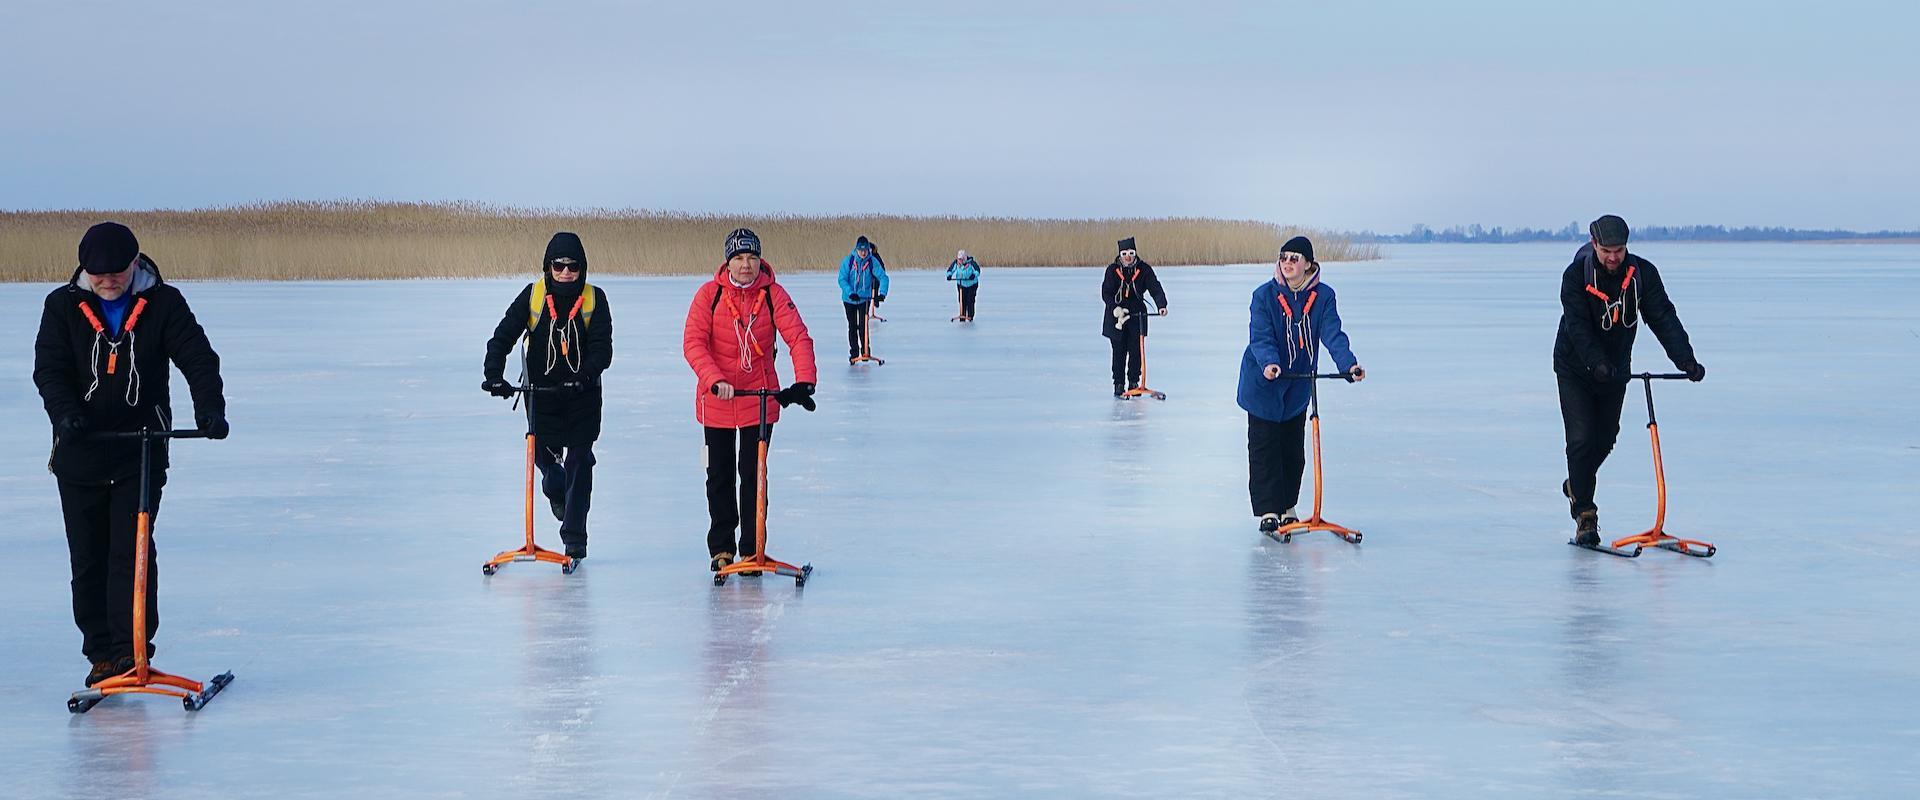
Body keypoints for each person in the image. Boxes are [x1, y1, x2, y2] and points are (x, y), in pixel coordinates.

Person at [33, 221, 229, 688]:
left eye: (117, 272)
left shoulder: (164, 302)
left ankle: (131, 651)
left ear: (135, 263)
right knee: (88, 557)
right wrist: (65, 415)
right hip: (80, 449)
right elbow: (50, 369)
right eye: (98, 275)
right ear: (85, 270)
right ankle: (102, 655)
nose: (108, 282)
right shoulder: (61, 306)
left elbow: (198, 357)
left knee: (132, 551)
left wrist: (210, 410)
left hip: (140, 450)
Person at [1554, 214, 1704, 547]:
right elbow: (1577, 328)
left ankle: (1577, 482)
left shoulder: (1642, 276)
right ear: (1594, 245)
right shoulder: (1575, 277)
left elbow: (1663, 317)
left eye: (1619, 250)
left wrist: (1686, 360)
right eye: (1606, 250)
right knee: (1581, 439)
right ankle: (1585, 515)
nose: (1612, 257)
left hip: (1616, 369)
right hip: (1575, 368)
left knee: (1605, 439)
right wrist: (1595, 363)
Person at [684, 228, 819, 572]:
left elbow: (798, 337)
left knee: (753, 474)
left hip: (759, 401)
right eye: (739, 258)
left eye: (752, 258)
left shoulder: (774, 294)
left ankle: (751, 549)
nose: (746, 265)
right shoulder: (708, 295)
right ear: (728, 262)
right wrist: (715, 380)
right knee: (718, 476)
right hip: (716, 402)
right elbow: (693, 343)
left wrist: (804, 381)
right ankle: (722, 548)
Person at [482, 232, 613, 561]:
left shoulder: (595, 299)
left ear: (582, 269)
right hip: (541, 396)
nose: (566, 273)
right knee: (545, 460)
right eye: (559, 266)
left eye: (573, 266)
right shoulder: (533, 297)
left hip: (583, 397)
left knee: (580, 462)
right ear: (548, 267)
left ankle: (574, 538)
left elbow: (602, 351)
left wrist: (581, 378)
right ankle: (556, 487)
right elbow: (503, 336)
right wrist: (494, 376)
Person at [1236, 236, 1364, 532]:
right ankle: (1269, 509)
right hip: (1263, 383)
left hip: (1297, 386)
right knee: (1265, 448)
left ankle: (1288, 506)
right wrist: (1269, 362)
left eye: (1295, 258)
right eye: (1284, 257)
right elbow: (1261, 335)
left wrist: (1349, 365)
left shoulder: (1323, 297)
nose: (1288, 263)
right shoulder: (1263, 295)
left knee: (1293, 450)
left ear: (1308, 264)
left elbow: (1333, 333)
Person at [1100, 236, 1168, 397]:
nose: (1128, 257)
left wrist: (1162, 305)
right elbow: (1106, 293)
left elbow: (1155, 287)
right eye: (1124, 254)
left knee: (1136, 351)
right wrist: (1115, 308)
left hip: (1137, 316)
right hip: (1116, 317)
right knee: (1118, 352)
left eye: (1131, 253)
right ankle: (1118, 384)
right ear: (1120, 255)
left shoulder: (1144, 269)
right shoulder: (1112, 270)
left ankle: (1133, 382)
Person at [836, 235, 889, 362]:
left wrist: (882, 293)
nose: (863, 253)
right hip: (849, 299)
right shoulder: (848, 261)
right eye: (861, 250)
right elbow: (842, 279)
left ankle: (865, 351)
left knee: (863, 326)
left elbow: (883, 277)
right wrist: (850, 292)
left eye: (865, 250)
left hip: (864, 299)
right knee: (852, 326)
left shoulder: (872, 262)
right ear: (857, 249)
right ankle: (854, 353)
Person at [946, 249, 982, 321]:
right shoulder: (956, 263)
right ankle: (962, 316)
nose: (960, 261)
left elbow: (977, 270)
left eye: (962, 259)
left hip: (972, 285)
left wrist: (973, 275)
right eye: (959, 259)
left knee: (970, 300)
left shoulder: (971, 263)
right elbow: (950, 270)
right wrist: (949, 275)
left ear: (965, 258)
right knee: (962, 300)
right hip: (961, 284)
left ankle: (970, 316)